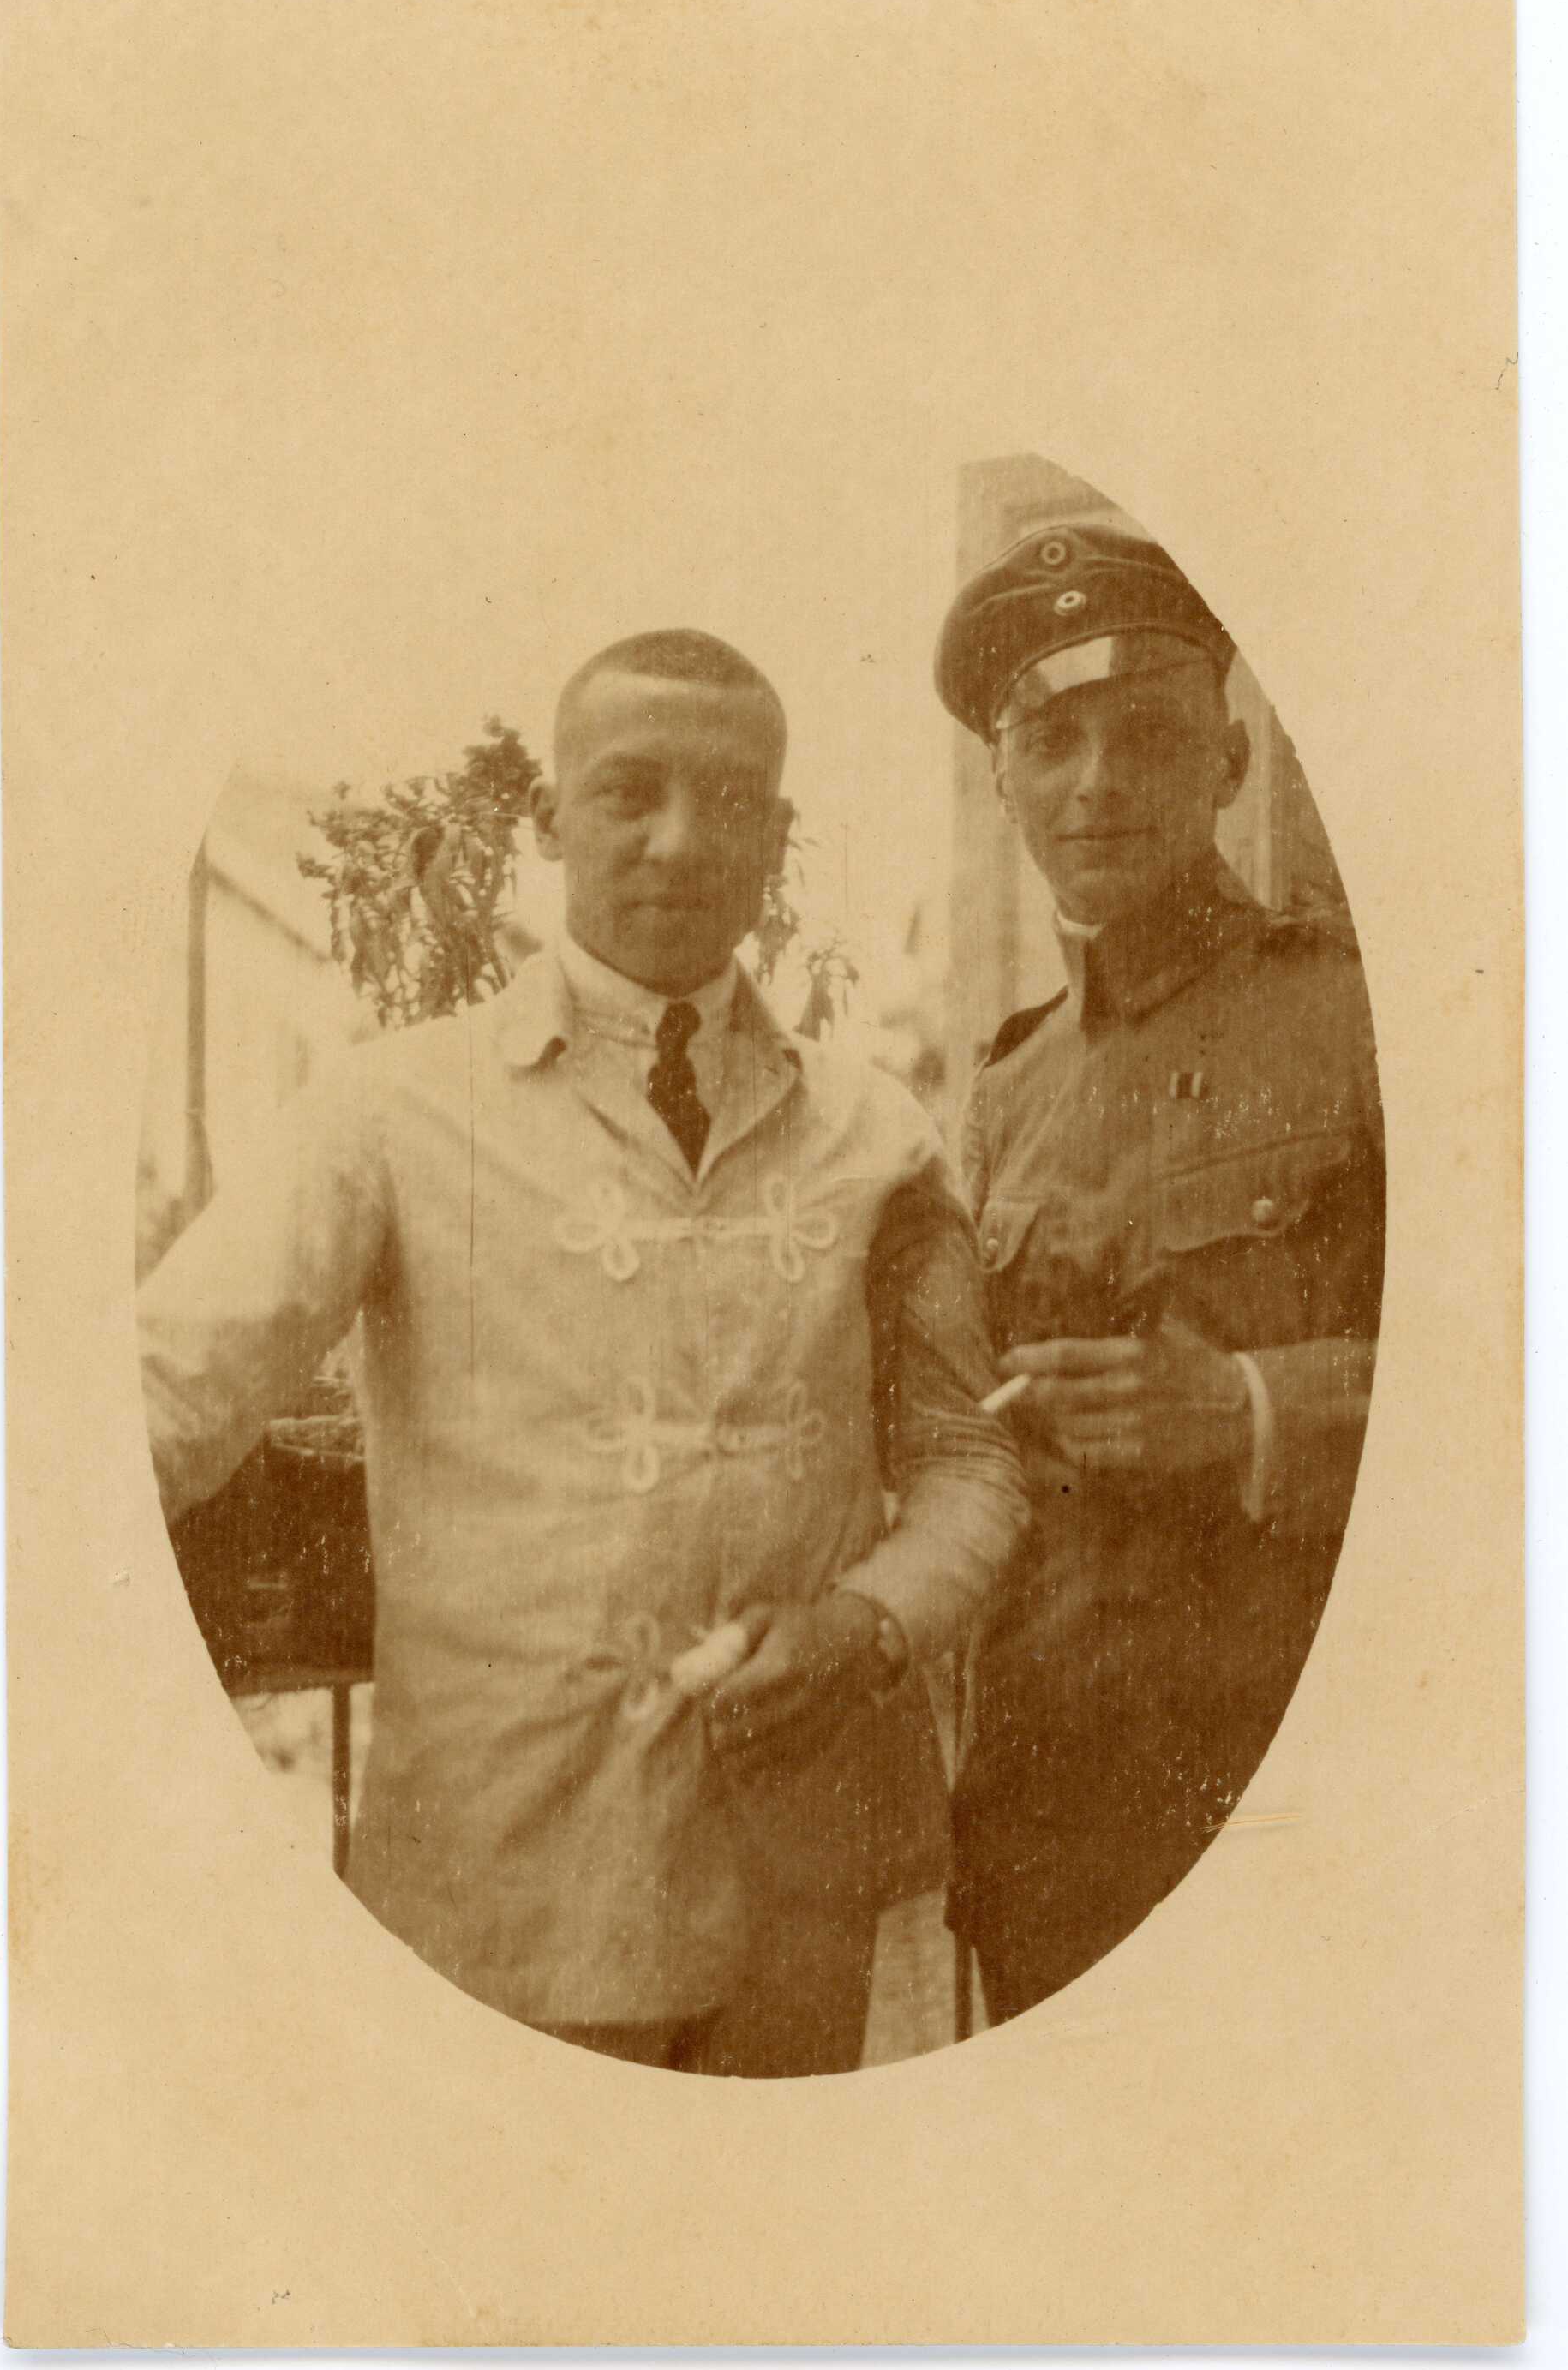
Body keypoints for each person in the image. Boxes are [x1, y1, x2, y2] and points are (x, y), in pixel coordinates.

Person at [139, 627, 1026, 2075]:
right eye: (629, 792)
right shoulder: (392, 1112)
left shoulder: (876, 1132)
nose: (679, 841)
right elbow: (166, 1391)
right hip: (509, 1875)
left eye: (728, 801)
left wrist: (868, 1624)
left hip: (793, 1882)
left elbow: (970, 1462)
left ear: (776, 836)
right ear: (552, 821)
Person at [933, 516, 1385, 2025]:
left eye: (1147, 736)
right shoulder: (1006, 1089)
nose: (1096, 783)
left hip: (1291, 1789)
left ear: (1229, 763)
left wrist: (1252, 1406)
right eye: (1050, 741)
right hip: (1046, 1808)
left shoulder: (1361, 1023)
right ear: (1001, 781)